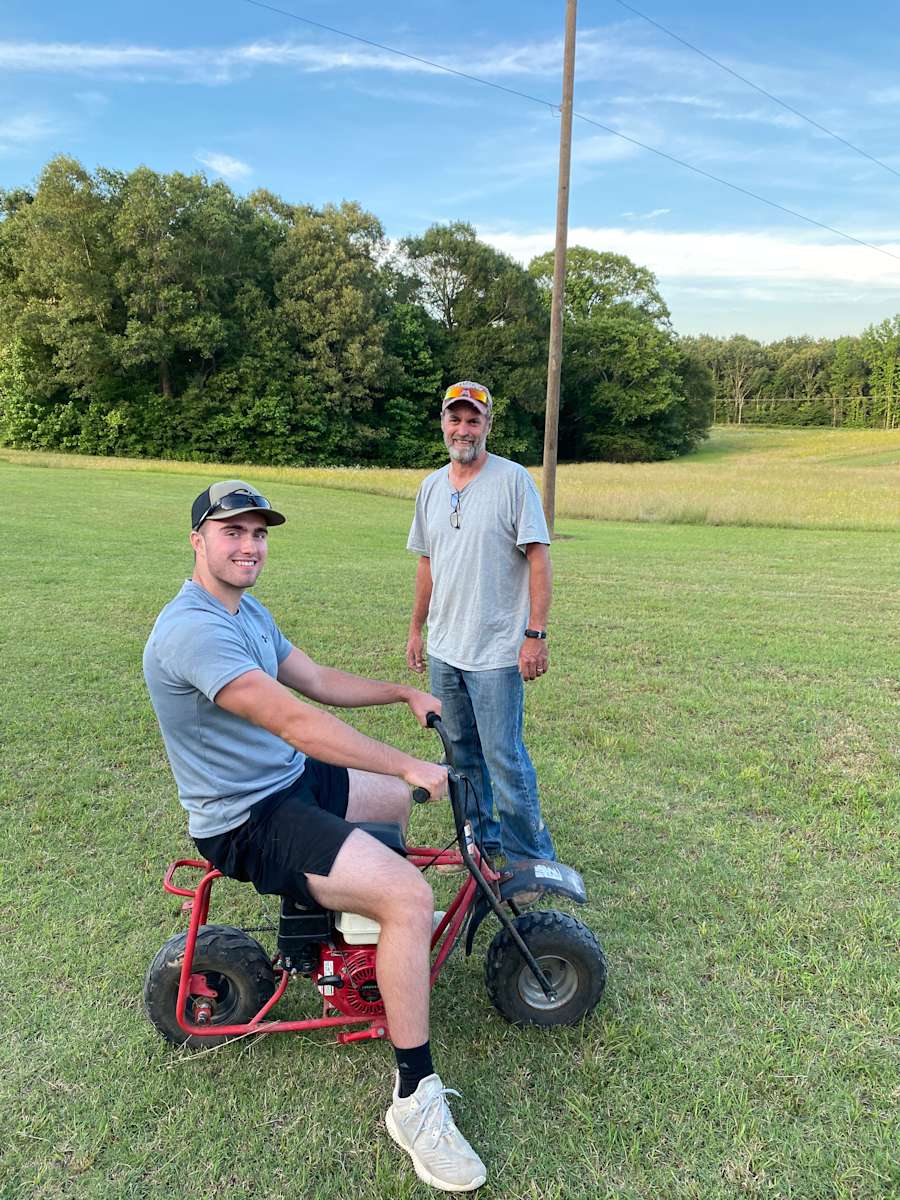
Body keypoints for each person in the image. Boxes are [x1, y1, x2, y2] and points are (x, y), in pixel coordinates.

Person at [143, 479, 486, 1194]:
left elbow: (316, 680)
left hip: (287, 781)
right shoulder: (193, 630)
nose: (248, 546)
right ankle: (414, 1100)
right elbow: (296, 722)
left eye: (259, 533)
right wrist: (410, 762)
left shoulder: (245, 611)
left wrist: (402, 692)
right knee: (410, 895)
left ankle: (350, 950)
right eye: (232, 531)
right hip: (248, 817)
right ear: (198, 540)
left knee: (390, 800)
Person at [406, 382, 557, 866]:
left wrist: (535, 634)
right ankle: (482, 846)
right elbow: (427, 563)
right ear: (443, 423)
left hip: (496, 653)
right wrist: (416, 630)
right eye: (456, 419)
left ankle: (532, 861)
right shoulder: (430, 487)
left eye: (474, 420)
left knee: (504, 759)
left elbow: (538, 557)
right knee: (460, 758)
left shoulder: (513, 482)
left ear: (488, 425)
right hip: (445, 651)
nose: (463, 429)